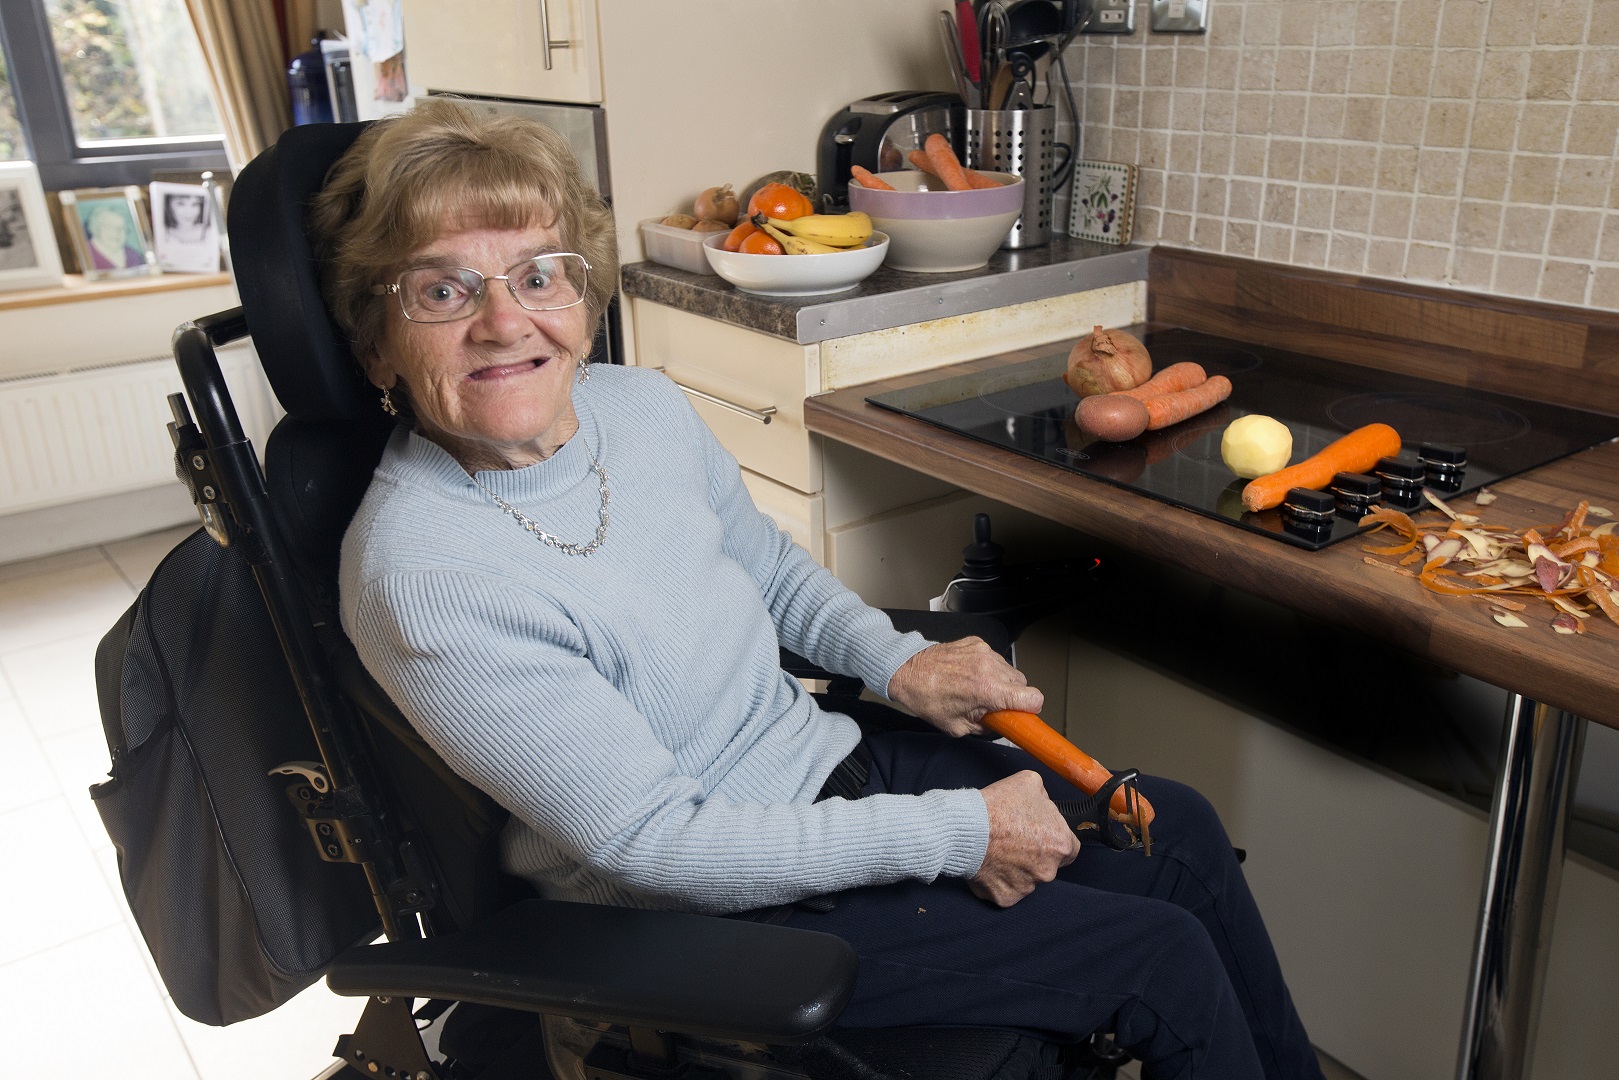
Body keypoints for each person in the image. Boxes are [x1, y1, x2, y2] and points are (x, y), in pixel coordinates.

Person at [311, 98, 1326, 1080]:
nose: (503, 321)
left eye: (538, 275)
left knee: (1175, 828)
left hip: (826, 773)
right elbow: (654, 845)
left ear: (581, 296)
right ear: (374, 348)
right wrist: (958, 834)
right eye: (441, 291)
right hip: (710, 918)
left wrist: (900, 663)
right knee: (1157, 959)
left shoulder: (637, 406)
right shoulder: (425, 575)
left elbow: (761, 566)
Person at [83, 202, 145, 270]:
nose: (116, 233)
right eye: (109, 227)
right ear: (96, 227)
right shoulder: (84, 254)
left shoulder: (134, 255)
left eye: (121, 228)